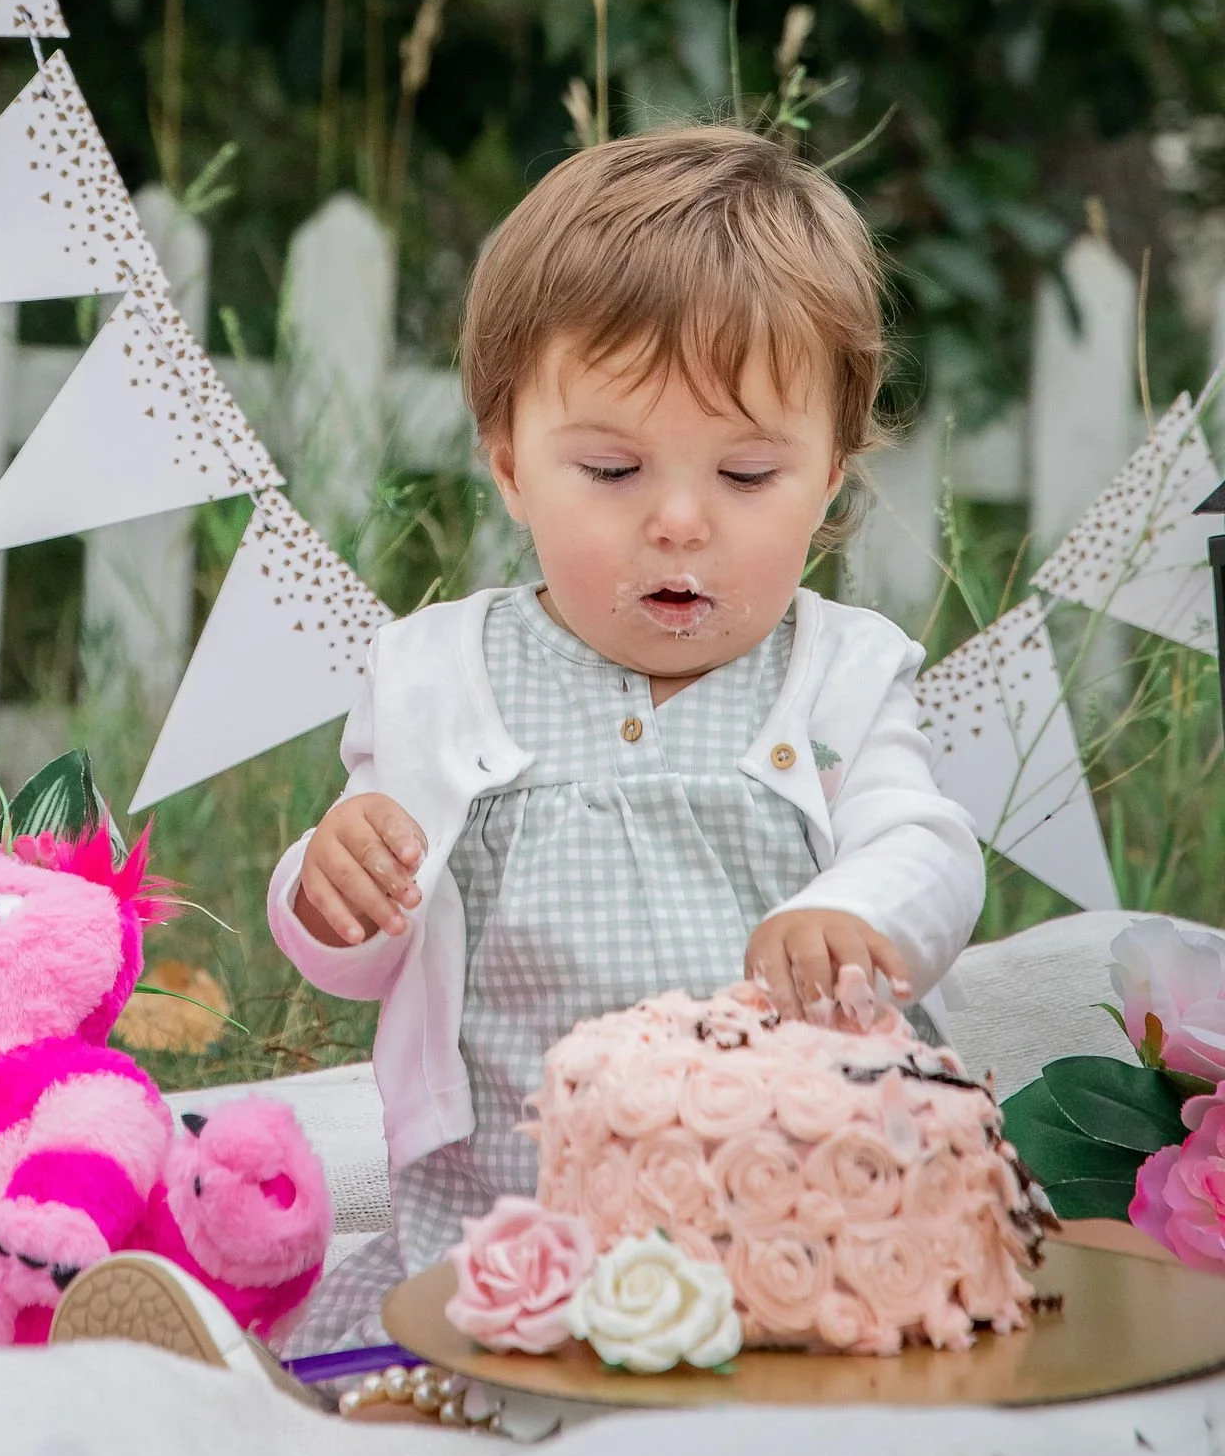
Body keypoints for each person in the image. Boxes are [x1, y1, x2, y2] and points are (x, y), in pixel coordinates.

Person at [268, 122, 984, 1353]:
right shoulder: (438, 671)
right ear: (507, 465)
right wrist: (326, 885)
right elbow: (372, 950)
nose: (677, 523)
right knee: (422, 1380)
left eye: (749, 476)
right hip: (501, 1223)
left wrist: (860, 907)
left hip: (788, 1228)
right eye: (608, 468)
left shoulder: (839, 673)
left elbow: (925, 841)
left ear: (827, 483)